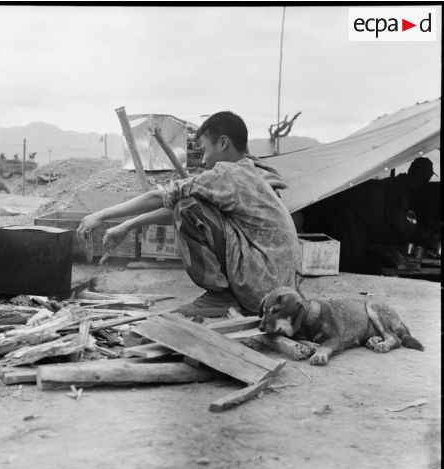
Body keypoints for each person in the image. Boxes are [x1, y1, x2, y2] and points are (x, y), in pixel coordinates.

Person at [78, 111, 301, 316]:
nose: (203, 161)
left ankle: (220, 297)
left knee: (187, 207)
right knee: (188, 205)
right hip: (283, 292)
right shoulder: (254, 170)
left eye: (205, 150)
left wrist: (101, 215)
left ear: (223, 142)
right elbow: (179, 207)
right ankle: (227, 296)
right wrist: (127, 226)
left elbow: (165, 200)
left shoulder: (228, 173)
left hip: (261, 289)